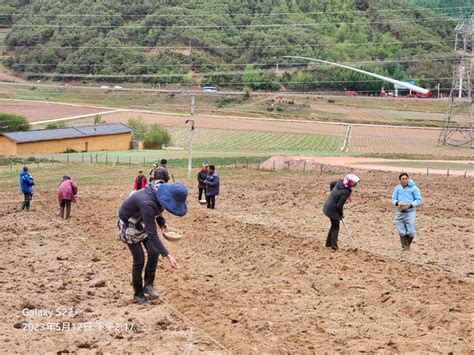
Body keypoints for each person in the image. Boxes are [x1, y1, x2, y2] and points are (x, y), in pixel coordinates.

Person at [117, 181, 187, 304]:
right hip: (129, 224)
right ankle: (138, 294)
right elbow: (152, 234)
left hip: (142, 220)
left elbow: (159, 207)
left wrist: (162, 223)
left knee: (154, 252)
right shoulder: (147, 203)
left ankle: (148, 286)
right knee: (139, 259)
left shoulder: (160, 191)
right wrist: (168, 256)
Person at [322, 174, 360, 250]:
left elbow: (331, 183)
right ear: (350, 182)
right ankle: (334, 247)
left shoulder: (340, 182)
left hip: (327, 206)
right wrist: (341, 215)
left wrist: (333, 195)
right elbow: (339, 206)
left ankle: (328, 244)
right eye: (355, 183)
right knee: (336, 226)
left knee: (333, 225)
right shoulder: (346, 191)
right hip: (332, 209)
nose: (356, 184)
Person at [391, 173, 422, 251]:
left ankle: (407, 245)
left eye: (406, 178)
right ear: (400, 180)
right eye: (402, 179)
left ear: (408, 179)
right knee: (402, 231)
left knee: (411, 231)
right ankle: (405, 247)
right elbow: (393, 199)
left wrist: (410, 205)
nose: (404, 180)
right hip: (400, 211)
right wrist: (397, 203)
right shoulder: (397, 188)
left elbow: (418, 199)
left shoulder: (414, 188)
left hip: (410, 212)